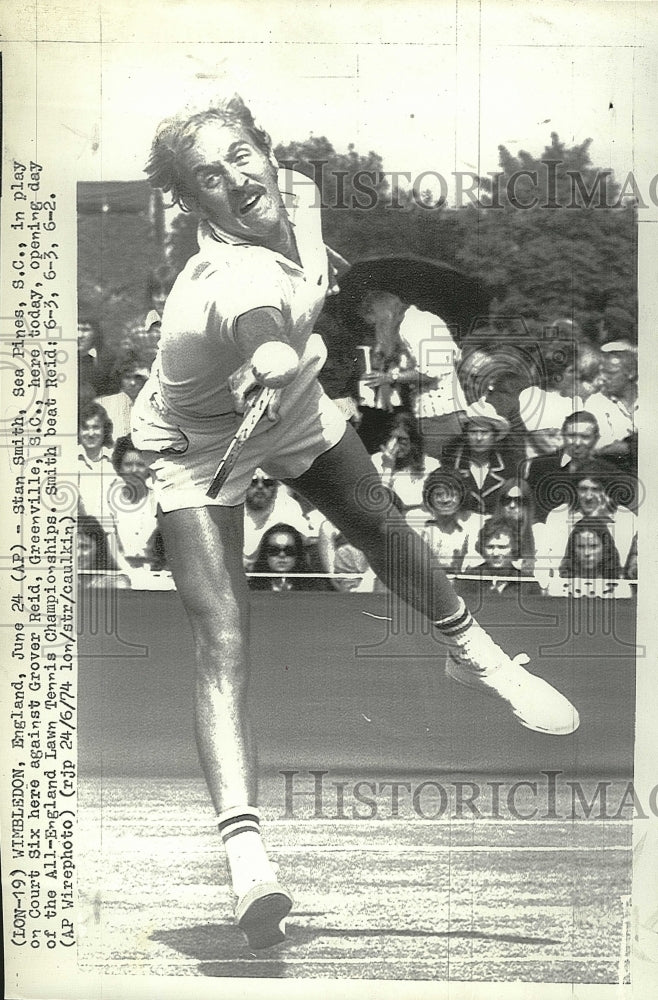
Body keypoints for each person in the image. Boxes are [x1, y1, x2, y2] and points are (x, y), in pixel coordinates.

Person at [133, 95, 579, 951]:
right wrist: (271, 352)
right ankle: (249, 866)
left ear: (265, 150)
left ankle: (476, 659)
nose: (236, 178)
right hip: (194, 444)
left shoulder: (296, 192)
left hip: (289, 403)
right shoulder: (230, 283)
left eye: (241, 154)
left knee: (378, 521)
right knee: (222, 638)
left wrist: (291, 356)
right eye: (207, 179)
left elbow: (300, 289)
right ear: (191, 205)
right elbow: (264, 322)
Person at [525, 410, 619, 521]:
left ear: (596, 438)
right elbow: (530, 510)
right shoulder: (541, 466)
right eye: (571, 435)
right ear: (563, 435)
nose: (577, 443)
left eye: (585, 437)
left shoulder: (608, 471)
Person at [441, 400, 519, 515]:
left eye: (484, 432)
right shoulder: (450, 467)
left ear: (494, 436)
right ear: (466, 435)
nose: (478, 438)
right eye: (473, 432)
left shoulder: (508, 468)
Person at [406, 469, 482, 573]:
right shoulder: (414, 520)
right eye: (439, 495)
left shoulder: (475, 523)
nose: (446, 500)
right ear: (429, 497)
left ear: (462, 496)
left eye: (452, 495)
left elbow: (476, 564)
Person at [370, 412, 440, 512]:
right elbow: (377, 503)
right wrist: (387, 468)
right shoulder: (376, 461)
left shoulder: (431, 466)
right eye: (390, 437)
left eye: (401, 440)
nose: (392, 444)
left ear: (413, 441)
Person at [249, 523, 324, 591]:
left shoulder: (315, 589)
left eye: (289, 550)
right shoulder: (249, 588)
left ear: (298, 553)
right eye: (274, 550)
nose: (282, 555)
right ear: (265, 553)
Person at [559, 519, 623, 580]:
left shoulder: (623, 583)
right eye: (580, 546)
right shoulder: (561, 583)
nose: (586, 553)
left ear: (606, 548)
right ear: (572, 550)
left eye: (593, 546)